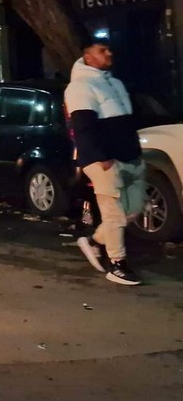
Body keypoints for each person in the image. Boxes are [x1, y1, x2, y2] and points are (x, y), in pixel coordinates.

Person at [67, 39, 146, 286]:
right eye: (102, 51)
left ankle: (92, 242)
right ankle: (117, 265)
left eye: (108, 49)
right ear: (88, 57)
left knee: (132, 211)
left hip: (129, 156)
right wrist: (102, 157)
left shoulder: (115, 83)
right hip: (103, 161)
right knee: (114, 214)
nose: (109, 53)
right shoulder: (80, 86)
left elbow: (126, 122)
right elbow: (83, 127)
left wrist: (135, 151)